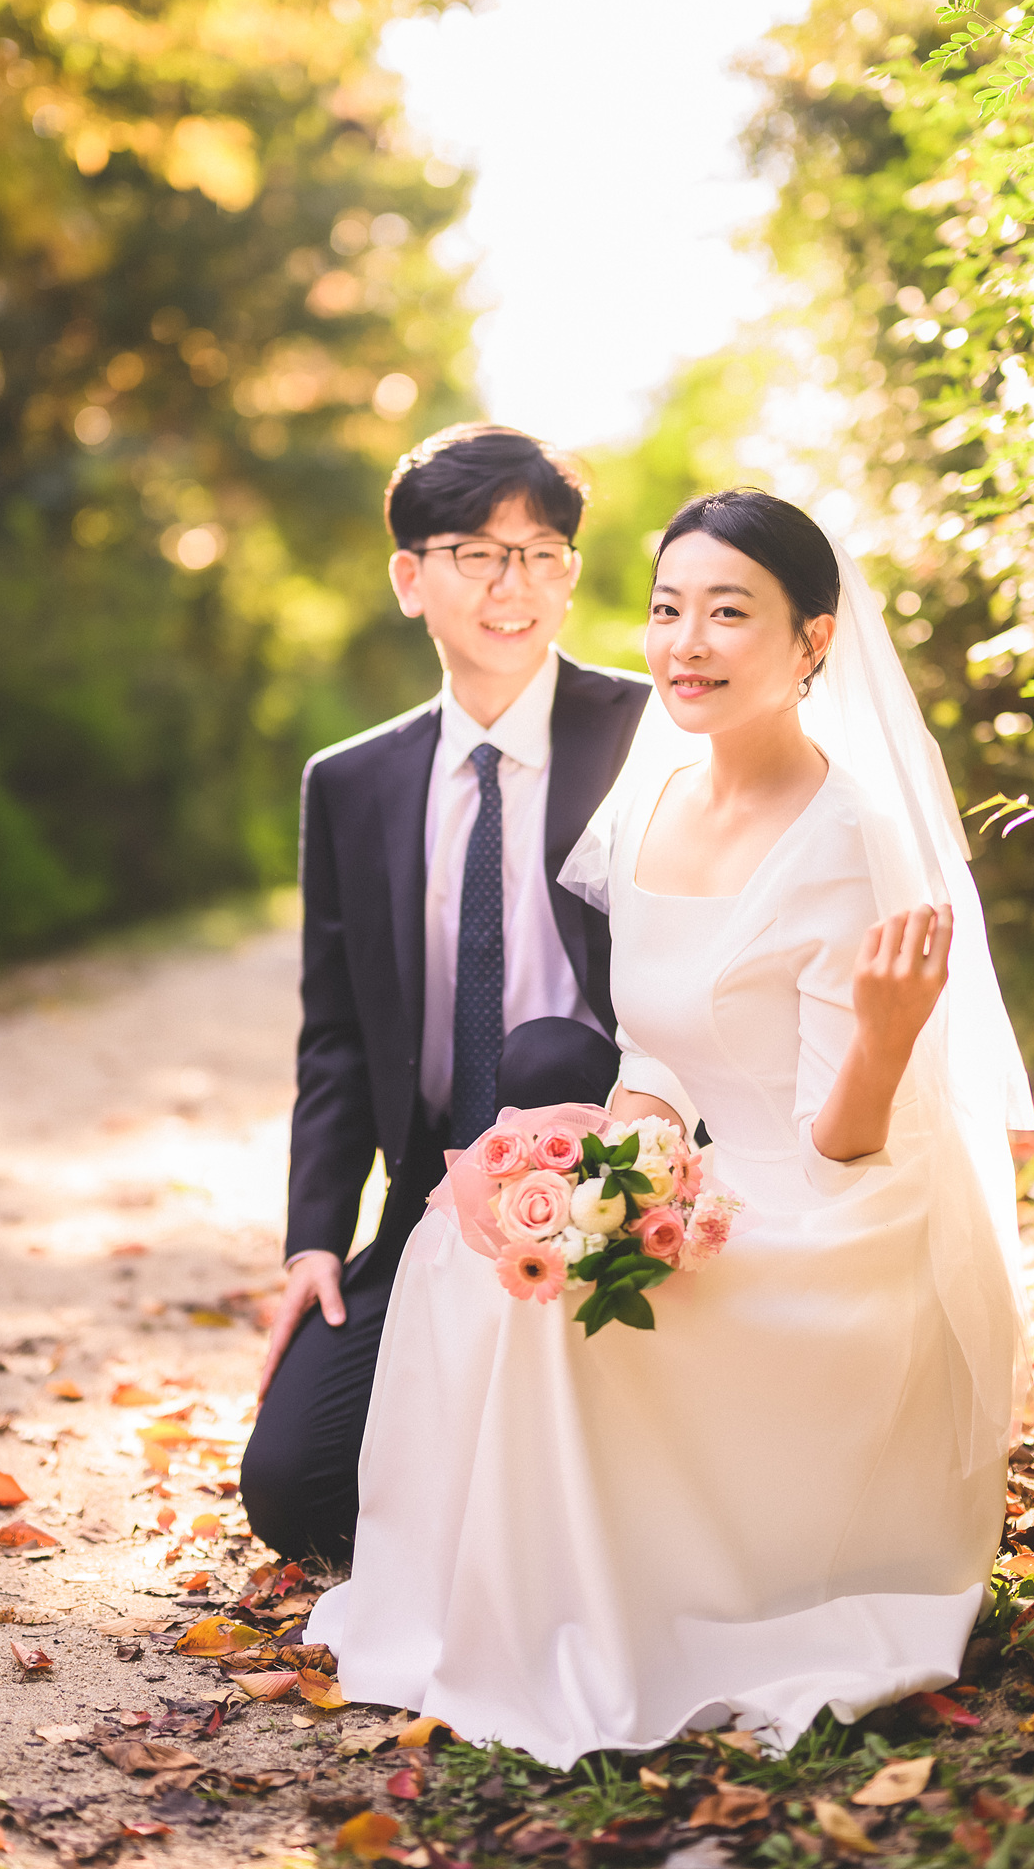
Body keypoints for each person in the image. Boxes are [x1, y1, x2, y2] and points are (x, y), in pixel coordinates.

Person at [304, 487, 1034, 1766]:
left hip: (832, 1220)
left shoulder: (852, 839)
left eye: (729, 614)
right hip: (707, 1176)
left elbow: (840, 1147)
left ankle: (598, 1622)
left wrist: (882, 1035)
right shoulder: (651, 799)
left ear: (811, 641)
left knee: (574, 1316)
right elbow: (653, 1055)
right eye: (666, 609)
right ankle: (504, 1604)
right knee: (484, 1251)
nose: (686, 643)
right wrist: (604, 1170)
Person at [240, 424, 651, 1560]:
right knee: (292, 1493)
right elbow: (334, 1038)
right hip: (433, 1186)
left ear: (569, 573)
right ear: (410, 579)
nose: (513, 584)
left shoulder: (648, 736)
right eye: (477, 553)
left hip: (608, 1166)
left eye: (541, 553)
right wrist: (314, 1241)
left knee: (549, 1051)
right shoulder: (352, 782)